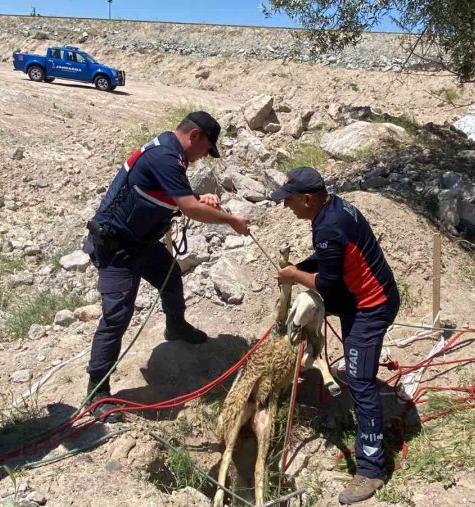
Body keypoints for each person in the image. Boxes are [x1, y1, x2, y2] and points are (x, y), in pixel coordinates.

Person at [83, 111, 250, 419]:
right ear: (195, 136)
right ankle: (97, 391)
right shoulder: (165, 156)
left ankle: (175, 326)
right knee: (117, 314)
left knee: (171, 276)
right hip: (116, 246)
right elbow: (188, 208)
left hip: (141, 242)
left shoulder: (171, 154)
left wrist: (200, 197)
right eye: (206, 150)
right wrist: (230, 220)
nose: (204, 158)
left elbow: (174, 195)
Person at [271, 166, 399, 504]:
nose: (288, 207)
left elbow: (328, 283)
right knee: (358, 374)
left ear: (308, 198)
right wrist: (301, 267)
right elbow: (330, 262)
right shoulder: (332, 210)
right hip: (358, 300)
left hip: (371, 306)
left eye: (290, 201)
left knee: (360, 380)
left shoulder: (329, 226)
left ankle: (372, 469)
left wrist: (296, 274)